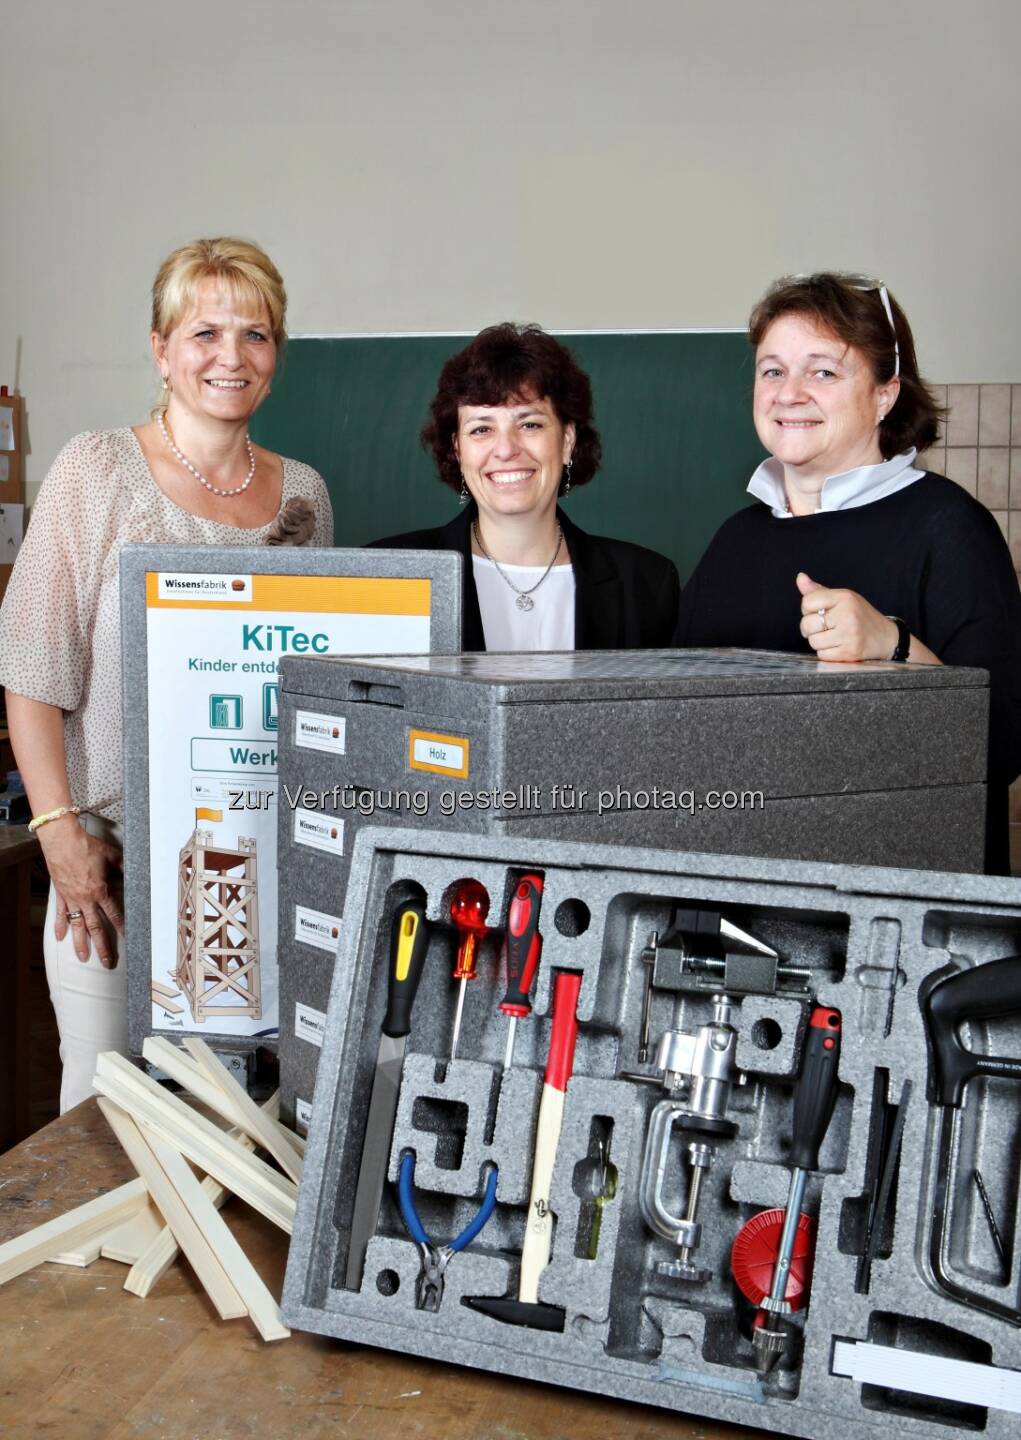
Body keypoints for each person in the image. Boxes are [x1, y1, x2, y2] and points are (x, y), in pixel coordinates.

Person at [0, 237, 332, 1109]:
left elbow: (311, 684)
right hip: (107, 862)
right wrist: (59, 834)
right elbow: (32, 670)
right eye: (204, 333)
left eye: (255, 336)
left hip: (253, 862)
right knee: (100, 1111)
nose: (231, 357)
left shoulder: (305, 493)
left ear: (277, 355)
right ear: (160, 347)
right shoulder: (96, 469)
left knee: (236, 1119)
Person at [674, 271, 1021, 874]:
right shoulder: (734, 540)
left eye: (823, 371)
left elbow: (1004, 745)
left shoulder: (949, 527)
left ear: (885, 394)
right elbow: (675, 728)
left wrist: (893, 645)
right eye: (773, 370)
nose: (789, 393)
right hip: (747, 896)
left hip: (900, 905)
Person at [370, 323, 679, 651]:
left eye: (529, 424)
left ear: (567, 441)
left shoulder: (646, 583)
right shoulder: (386, 576)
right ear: (457, 450)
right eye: (481, 430)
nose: (506, 449)